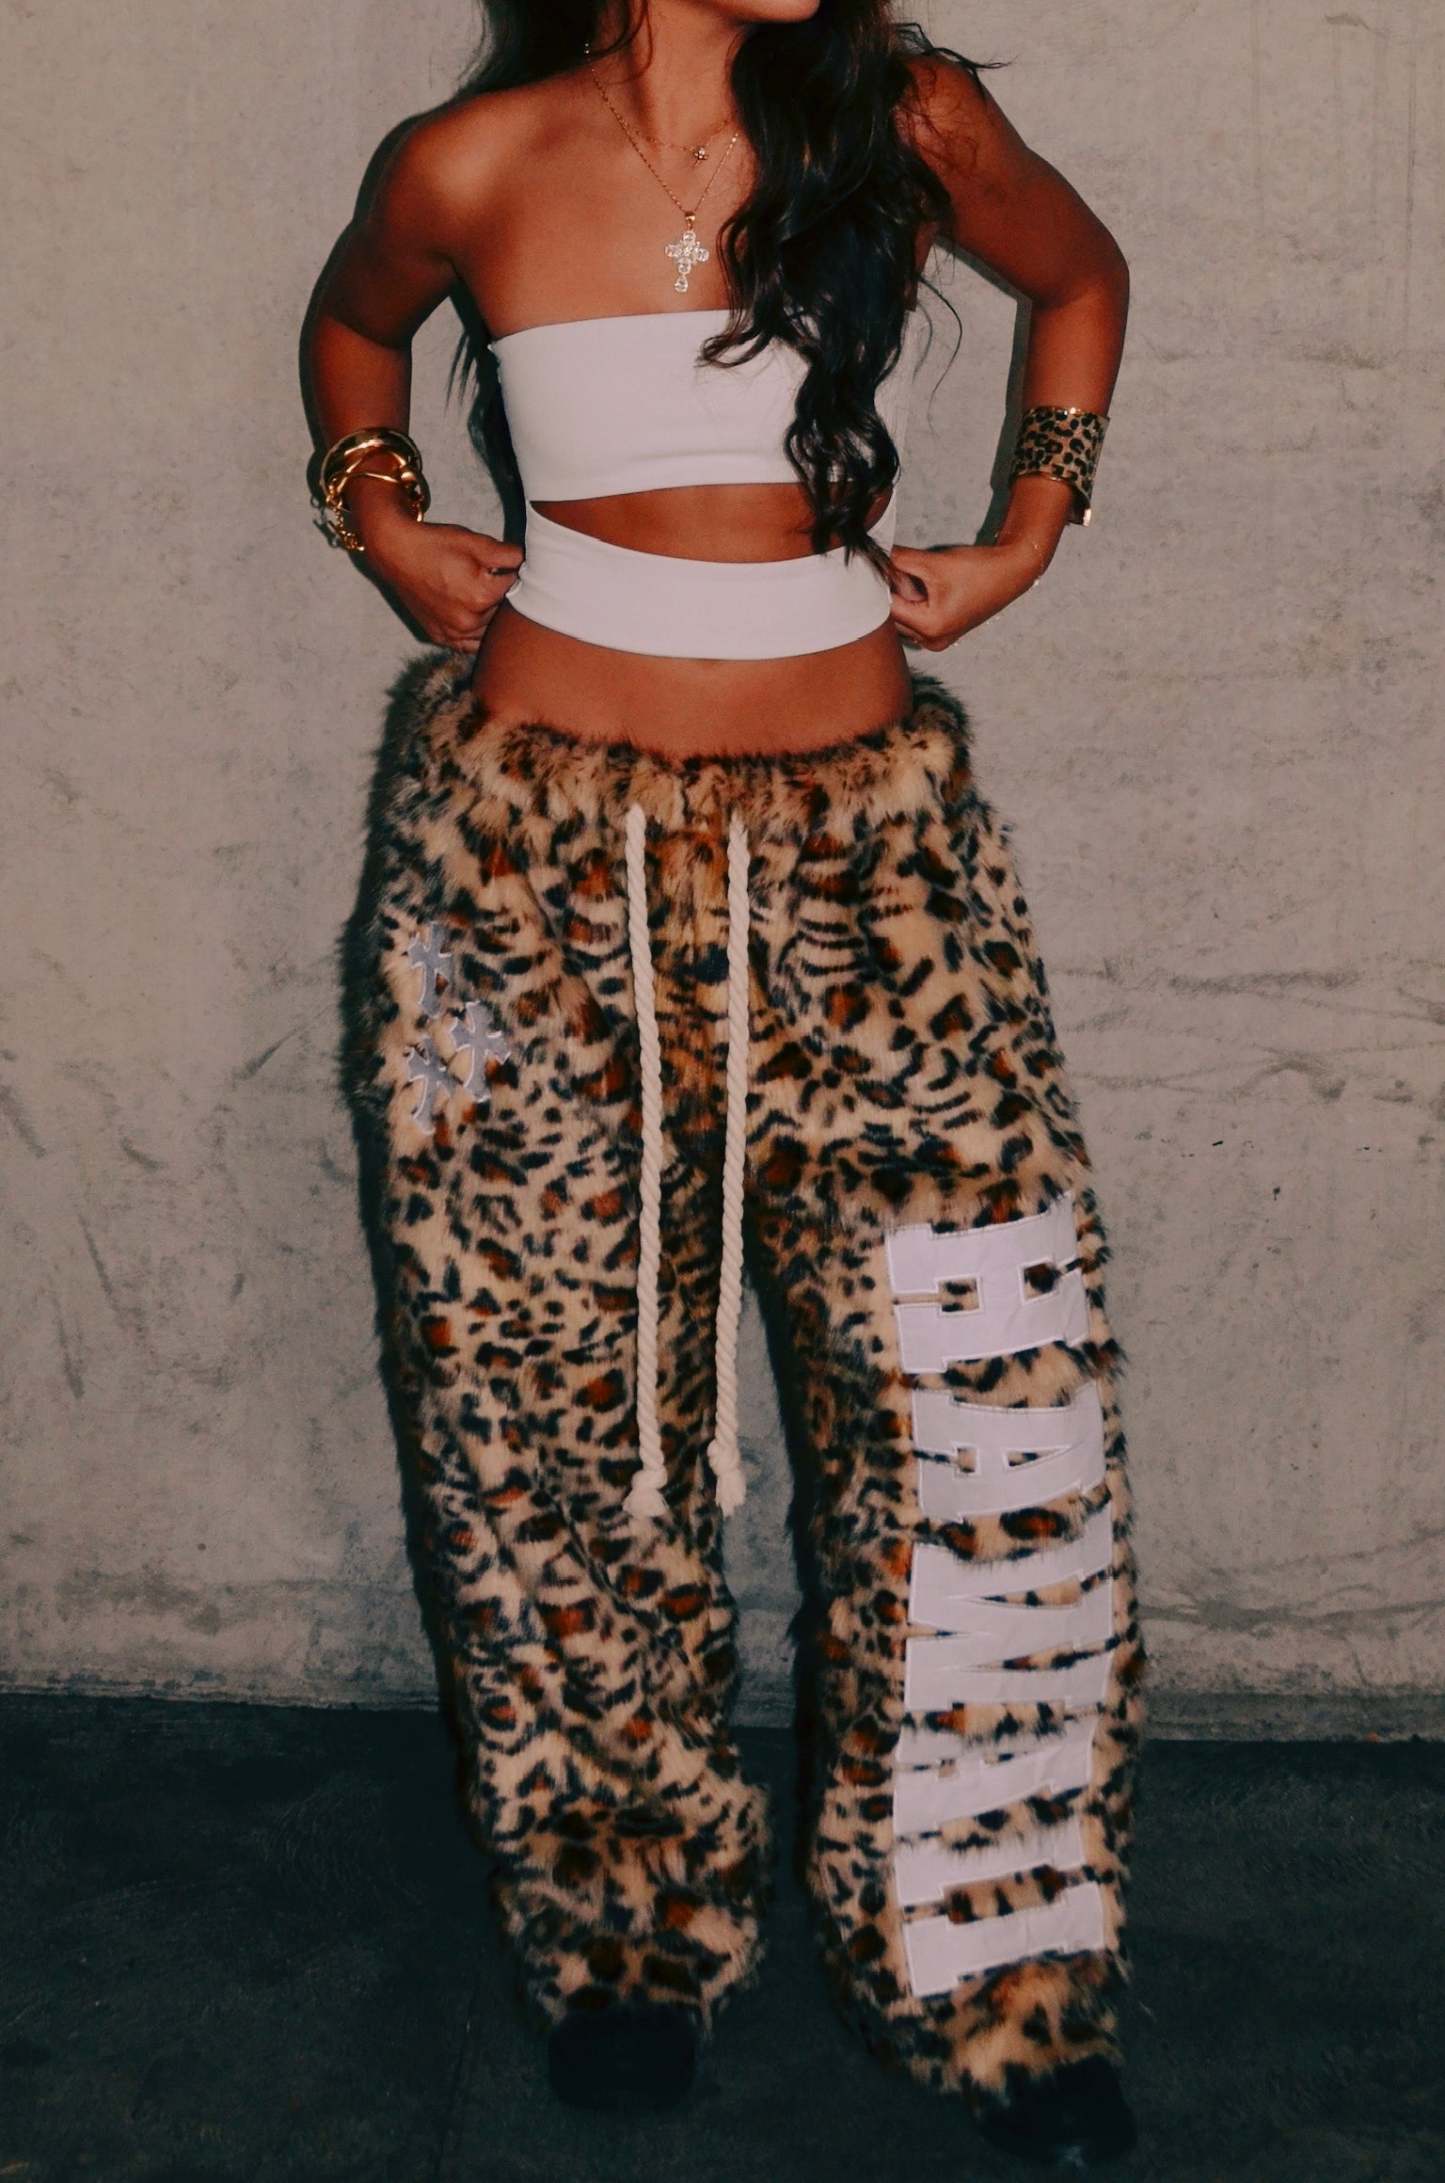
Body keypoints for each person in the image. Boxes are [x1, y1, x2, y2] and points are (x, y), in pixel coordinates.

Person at [301, 1, 1146, 2166]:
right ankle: (626, 1940)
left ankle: (999, 1973)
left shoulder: (904, 112)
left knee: (983, 1410)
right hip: (527, 884)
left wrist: (1032, 525)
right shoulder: (471, 159)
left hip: (878, 881)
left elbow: (1077, 275)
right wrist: (380, 509)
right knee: (549, 1429)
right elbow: (353, 329)